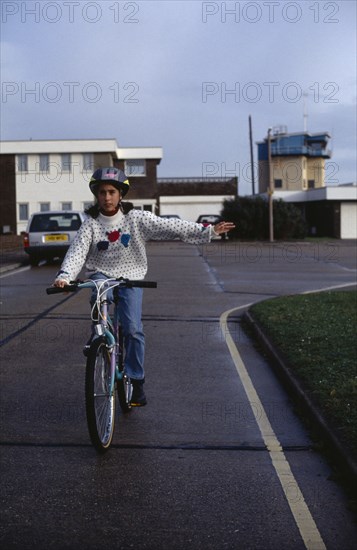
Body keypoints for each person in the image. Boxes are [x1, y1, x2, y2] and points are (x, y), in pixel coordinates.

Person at [53, 167, 235, 406]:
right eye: (101, 192)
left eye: (111, 192)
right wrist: (64, 276)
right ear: (96, 195)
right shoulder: (90, 225)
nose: (106, 197)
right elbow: (76, 252)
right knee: (96, 290)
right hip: (101, 274)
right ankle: (97, 333)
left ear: (121, 194)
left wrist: (208, 230)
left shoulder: (137, 219)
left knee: (132, 329)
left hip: (132, 276)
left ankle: (136, 380)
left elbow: (171, 227)